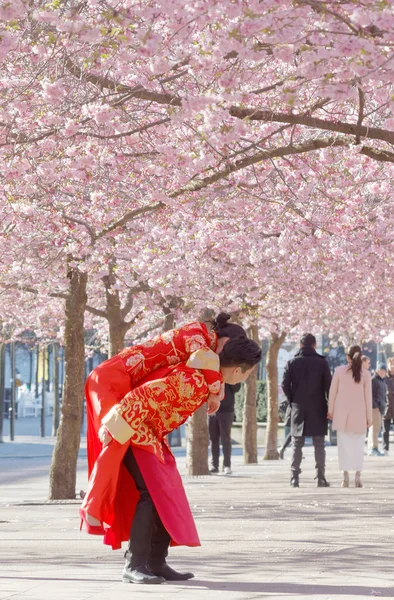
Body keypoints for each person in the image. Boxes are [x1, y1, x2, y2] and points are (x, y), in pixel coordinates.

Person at [81, 328, 261, 585]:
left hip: (148, 430)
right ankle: (135, 563)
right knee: (151, 491)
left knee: (167, 488)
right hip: (133, 426)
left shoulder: (205, 378)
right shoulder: (194, 380)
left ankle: (155, 561)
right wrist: (113, 425)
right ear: (237, 370)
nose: (248, 377)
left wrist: (214, 390)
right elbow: (142, 395)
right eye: (249, 372)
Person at [282, 333, 332, 488]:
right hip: (318, 406)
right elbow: (328, 387)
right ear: (315, 345)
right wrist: (329, 405)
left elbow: (284, 385)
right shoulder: (322, 363)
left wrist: (292, 400)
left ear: (300, 344)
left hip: (298, 406)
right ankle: (320, 477)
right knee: (319, 443)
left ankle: (294, 477)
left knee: (297, 442)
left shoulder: (291, 362)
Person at [328, 345, 372, 488]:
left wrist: (331, 410)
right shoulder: (366, 374)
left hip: (342, 416)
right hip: (360, 416)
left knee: (344, 448)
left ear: (348, 357)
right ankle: (357, 477)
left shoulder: (339, 371)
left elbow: (332, 393)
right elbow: (368, 398)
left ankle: (345, 477)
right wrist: (369, 418)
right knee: (358, 448)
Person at [209, 382, 240, 475]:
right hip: (212, 409)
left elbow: (237, 388)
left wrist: (227, 379)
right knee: (213, 438)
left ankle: (227, 465)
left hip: (226, 410)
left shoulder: (231, 369)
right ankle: (214, 465)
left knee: (225, 438)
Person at [368, 363, 387, 456]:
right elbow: (370, 394)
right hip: (375, 408)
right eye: (381, 370)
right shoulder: (374, 380)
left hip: (380, 408)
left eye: (384, 371)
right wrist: (375, 406)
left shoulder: (382, 381)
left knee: (375, 429)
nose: (383, 372)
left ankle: (371, 448)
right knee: (375, 429)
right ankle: (373, 448)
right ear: (377, 370)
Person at [383, 358, 394, 455]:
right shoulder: (384, 378)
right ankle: (385, 448)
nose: (393, 367)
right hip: (386, 407)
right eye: (391, 364)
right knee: (385, 430)